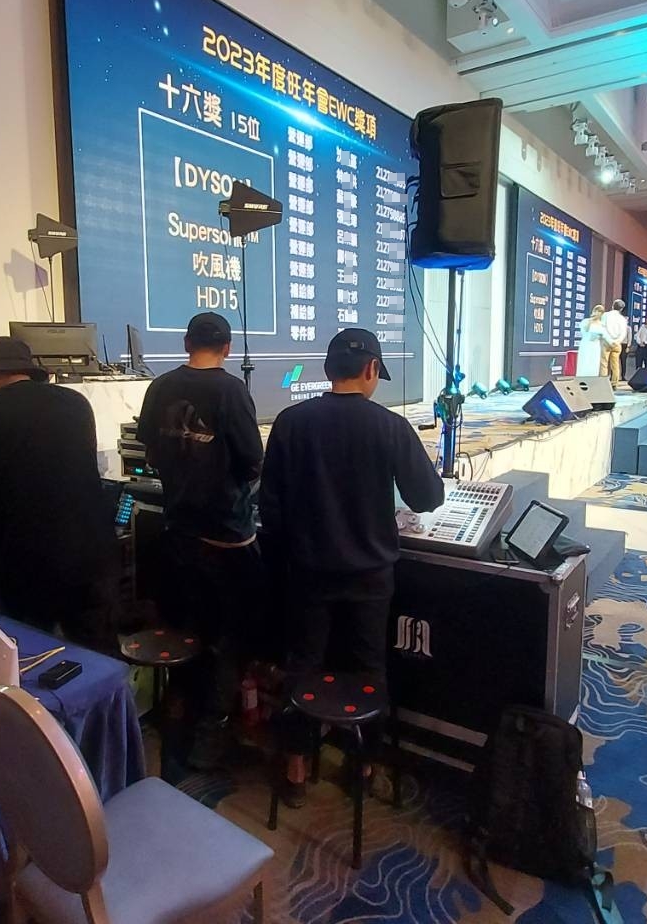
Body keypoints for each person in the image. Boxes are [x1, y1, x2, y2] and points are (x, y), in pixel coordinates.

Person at [261, 328, 444, 807]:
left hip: (306, 575)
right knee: (367, 668)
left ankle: (296, 770)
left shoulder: (290, 422)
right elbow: (428, 497)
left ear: (328, 370)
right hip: (370, 578)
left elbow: (270, 507)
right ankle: (361, 768)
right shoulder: (390, 426)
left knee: (303, 666)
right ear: (371, 369)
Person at [135, 312, 264, 772]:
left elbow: (151, 450)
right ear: (227, 348)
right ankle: (214, 727)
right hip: (227, 538)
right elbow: (253, 461)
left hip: (179, 532)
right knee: (228, 637)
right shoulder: (232, 391)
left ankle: (179, 718)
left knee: (186, 628)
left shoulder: (160, 387)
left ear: (186, 342)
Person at [0, 336, 117, 649]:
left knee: (28, 649)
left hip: (20, 559)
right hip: (88, 551)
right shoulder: (75, 404)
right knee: (95, 643)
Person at [601, 299, 631, 383]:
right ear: (621, 309)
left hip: (606, 342)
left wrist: (608, 340)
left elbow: (602, 328)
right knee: (615, 364)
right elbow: (623, 333)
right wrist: (617, 341)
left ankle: (603, 383)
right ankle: (614, 383)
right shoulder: (622, 319)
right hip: (617, 343)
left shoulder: (605, 315)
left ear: (612, 306)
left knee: (604, 363)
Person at [576, 305, 607, 377]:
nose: (597, 313)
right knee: (585, 361)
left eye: (599, 312)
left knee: (593, 362)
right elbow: (584, 331)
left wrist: (599, 336)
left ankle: (592, 377)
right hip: (586, 344)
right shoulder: (586, 321)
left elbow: (604, 335)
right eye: (596, 311)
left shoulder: (602, 324)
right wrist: (591, 321)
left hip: (595, 345)